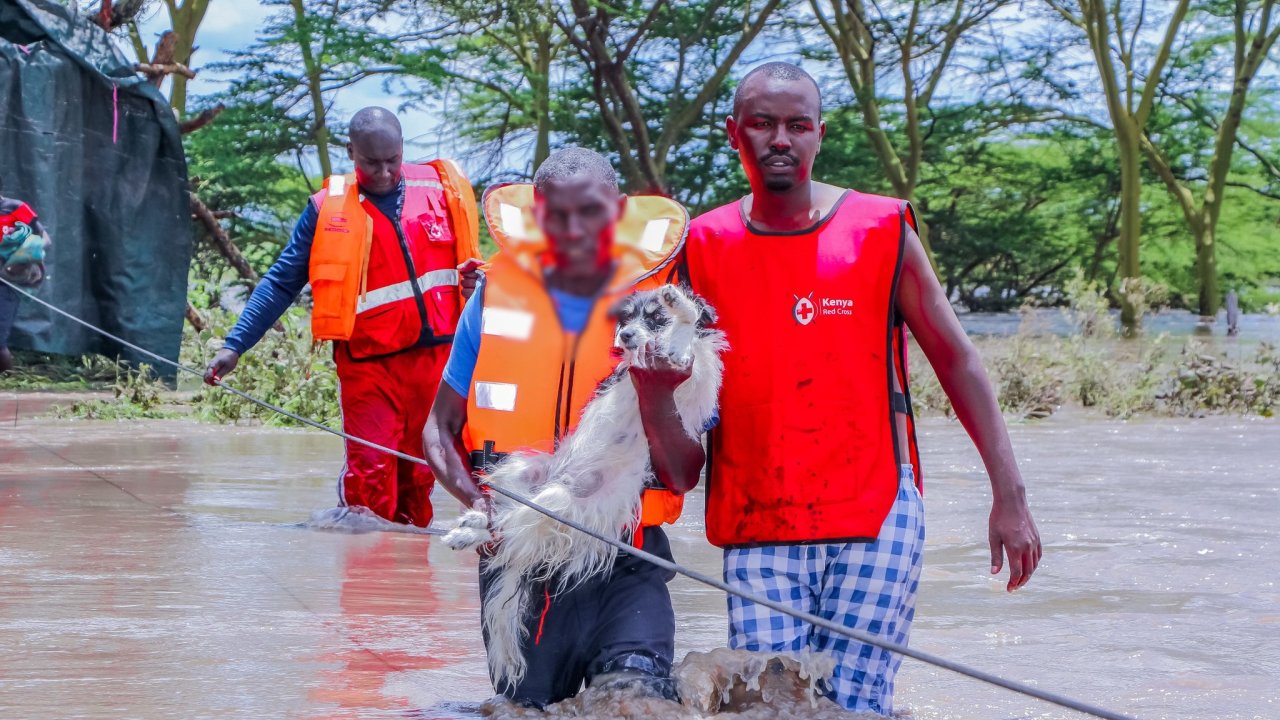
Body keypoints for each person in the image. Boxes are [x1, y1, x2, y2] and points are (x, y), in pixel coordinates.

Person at [680, 62, 1043, 716]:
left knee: (859, 705)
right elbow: (652, 376)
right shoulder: (702, 243)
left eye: (797, 125)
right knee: (769, 707)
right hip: (756, 520)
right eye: (762, 124)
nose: (780, 139)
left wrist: (1009, 495)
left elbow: (957, 359)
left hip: (876, 513)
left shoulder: (880, 230)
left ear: (820, 135)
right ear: (734, 133)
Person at [422, 147, 700, 709]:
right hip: (520, 562)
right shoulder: (493, 295)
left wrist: (656, 393)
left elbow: (683, 474)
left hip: (628, 557)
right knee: (525, 709)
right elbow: (437, 430)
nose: (574, 232)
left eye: (591, 213)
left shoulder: (663, 312)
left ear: (618, 210)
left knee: (636, 702)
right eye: (557, 217)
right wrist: (481, 506)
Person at [204, 107, 482, 528]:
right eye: (371, 162)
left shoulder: (442, 193)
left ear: (403, 149)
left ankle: (405, 566)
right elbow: (281, 282)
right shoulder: (325, 210)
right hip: (369, 367)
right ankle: (363, 563)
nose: (384, 172)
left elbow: (483, 269)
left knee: (421, 477)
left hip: (437, 365)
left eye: (392, 160)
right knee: (370, 477)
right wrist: (235, 345)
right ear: (351, 152)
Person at [0, 181, 52, 374]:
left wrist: (23, 254)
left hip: (6, 282)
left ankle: (6, 382)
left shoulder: (16, 208)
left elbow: (45, 239)